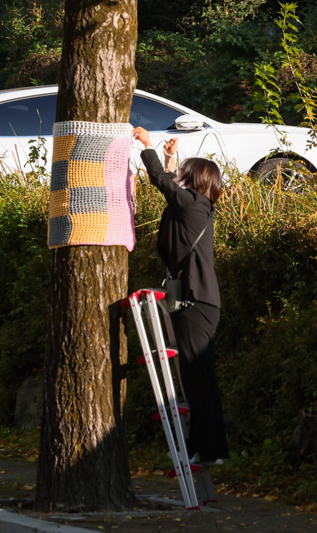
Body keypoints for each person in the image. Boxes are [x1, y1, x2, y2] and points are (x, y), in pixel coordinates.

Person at [134, 126, 229, 465]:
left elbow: (163, 182)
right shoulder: (196, 204)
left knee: (195, 374)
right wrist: (172, 158)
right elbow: (171, 183)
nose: (180, 178)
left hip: (193, 299)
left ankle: (202, 447)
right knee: (198, 374)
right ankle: (213, 448)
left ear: (195, 180)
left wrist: (147, 147)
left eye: (185, 174)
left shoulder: (194, 204)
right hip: (183, 293)